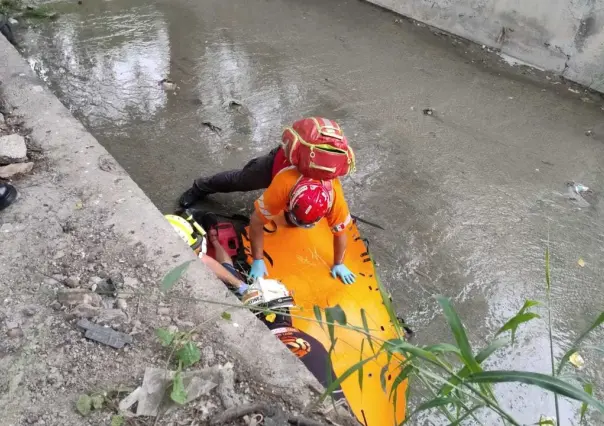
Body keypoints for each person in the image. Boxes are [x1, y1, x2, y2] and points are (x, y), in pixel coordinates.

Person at [178, 118, 356, 285]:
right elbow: (256, 222)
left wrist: (338, 262)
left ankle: (293, 217)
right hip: (277, 164)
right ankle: (200, 186)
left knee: (292, 223)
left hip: (296, 178)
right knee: (240, 180)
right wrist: (258, 259)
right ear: (289, 200)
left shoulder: (335, 198)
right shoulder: (283, 184)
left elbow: (341, 233)